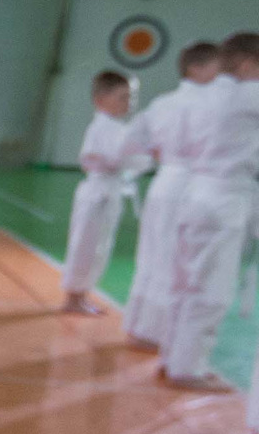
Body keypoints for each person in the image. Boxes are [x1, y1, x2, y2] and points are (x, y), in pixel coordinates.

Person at [155, 30, 259, 393]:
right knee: (210, 289)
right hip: (223, 199)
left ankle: (171, 359)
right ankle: (188, 369)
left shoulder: (208, 93)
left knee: (184, 283)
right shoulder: (248, 93)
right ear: (248, 64)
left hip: (194, 192)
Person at [123, 42, 225, 351]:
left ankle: (139, 326)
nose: (221, 74)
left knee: (152, 253)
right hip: (190, 183)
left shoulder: (162, 102)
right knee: (175, 258)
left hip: (164, 180)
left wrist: (159, 156)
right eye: (215, 67)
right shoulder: (213, 103)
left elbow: (134, 142)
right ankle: (158, 332)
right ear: (195, 68)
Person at [59, 70, 150, 316]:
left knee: (100, 246)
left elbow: (129, 160)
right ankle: (74, 296)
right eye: (122, 97)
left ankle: (81, 293)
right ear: (100, 100)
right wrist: (130, 158)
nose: (128, 102)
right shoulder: (101, 127)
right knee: (86, 245)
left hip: (110, 190)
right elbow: (93, 158)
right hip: (97, 192)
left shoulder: (118, 128)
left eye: (130, 97)